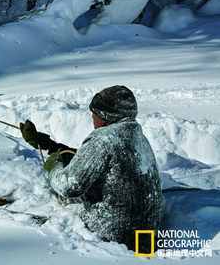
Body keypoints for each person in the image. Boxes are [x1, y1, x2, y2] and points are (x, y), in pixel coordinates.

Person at [20, 85, 164, 252]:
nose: (92, 116)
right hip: (146, 235)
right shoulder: (135, 135)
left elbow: (70, 186)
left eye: (95, 112)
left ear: (106, 115)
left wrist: (54, 164)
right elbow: (98, 160)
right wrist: (52, 146)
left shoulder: (103, 139)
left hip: (115, 238)